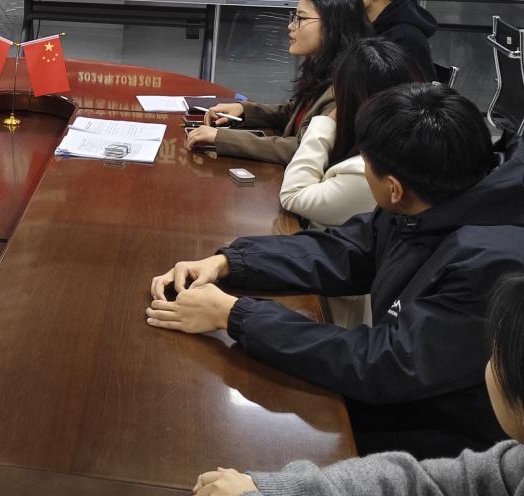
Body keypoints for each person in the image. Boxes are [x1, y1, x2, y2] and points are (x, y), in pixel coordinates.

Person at [149, 84, 524, 459]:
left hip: (444, 443)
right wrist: (231, 262)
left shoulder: (488, 265)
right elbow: (349, 250)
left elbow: (383, 364)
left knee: (241, 436)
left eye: (366, 163)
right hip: (401, 397)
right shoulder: (430, 201)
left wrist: (234, 314)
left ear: (394, 189)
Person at [190, 272, 524, 496]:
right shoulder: (514, 461)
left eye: (497, 347)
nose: (487, 355)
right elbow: (422, 481)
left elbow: (377, 363)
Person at [186, 0, 371, 164]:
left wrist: (222, 138)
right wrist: (243, 110)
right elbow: (291, 113)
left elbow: (304, 150)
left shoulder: (345, 87)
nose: (291, 26)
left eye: (301, 18)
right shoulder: (321, 67)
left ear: (333, 26)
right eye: (294, 17)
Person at [279, 38, 424, 229]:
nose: (292, 26)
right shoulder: (402, 139)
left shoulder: (368, 169)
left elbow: (293, 196)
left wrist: (327, 121)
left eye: (338, 92)